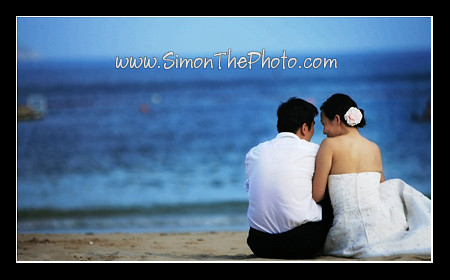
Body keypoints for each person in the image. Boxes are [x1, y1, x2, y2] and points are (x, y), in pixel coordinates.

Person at [312, 93, 431, 258]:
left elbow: (316, 195)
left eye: (324, 124)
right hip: (382, 231)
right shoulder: (374, 148)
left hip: (346, 237)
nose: (324, 131)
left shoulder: (329, 145)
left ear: (338, 119)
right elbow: (382, 189)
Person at [244, 97, 333, 259]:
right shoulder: (313, 150)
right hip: (301, 243)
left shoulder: (255, 153)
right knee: (330, 188)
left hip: (258, 243)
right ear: (305, 128)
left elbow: (253, 189)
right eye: (313, 127)